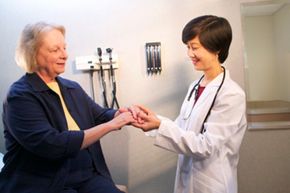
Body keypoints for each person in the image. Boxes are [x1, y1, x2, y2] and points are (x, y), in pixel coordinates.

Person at [0, 22, 136, 193]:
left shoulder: (72, 88)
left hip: (85, 174)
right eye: (55, 50)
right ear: (33, 54)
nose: (65, 55)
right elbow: (52, 144)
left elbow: (100, 114)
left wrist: (120, 113)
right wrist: (110, 125)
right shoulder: (19, 96)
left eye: (64, 48)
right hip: (44, 182)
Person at [132, 15, 247, 193]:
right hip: (188, 179)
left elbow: (206, 146)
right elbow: (182, 127)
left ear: (217, 48)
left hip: (213, 183)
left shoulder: (231, 94)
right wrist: (152, 122)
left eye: (194, 47)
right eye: (188, 47)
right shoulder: (195, 86)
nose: (189, 54)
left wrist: (160, 125)